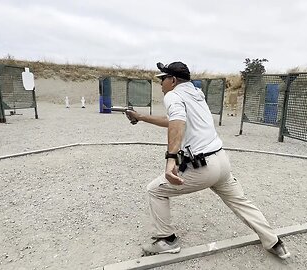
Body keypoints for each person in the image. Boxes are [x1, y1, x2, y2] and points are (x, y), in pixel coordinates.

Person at [125, 61, 291, 259]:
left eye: (163, 79)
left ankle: (166, 240)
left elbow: (176, 123)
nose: (161, 84)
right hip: (221, 161)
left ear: (173, 80)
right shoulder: (196, 93)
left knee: (155, 190)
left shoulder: (173, 95)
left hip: (203, 167)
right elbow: (174, 119)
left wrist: (171, 159)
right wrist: (141, 117)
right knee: (240, 201)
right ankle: (275, 242)